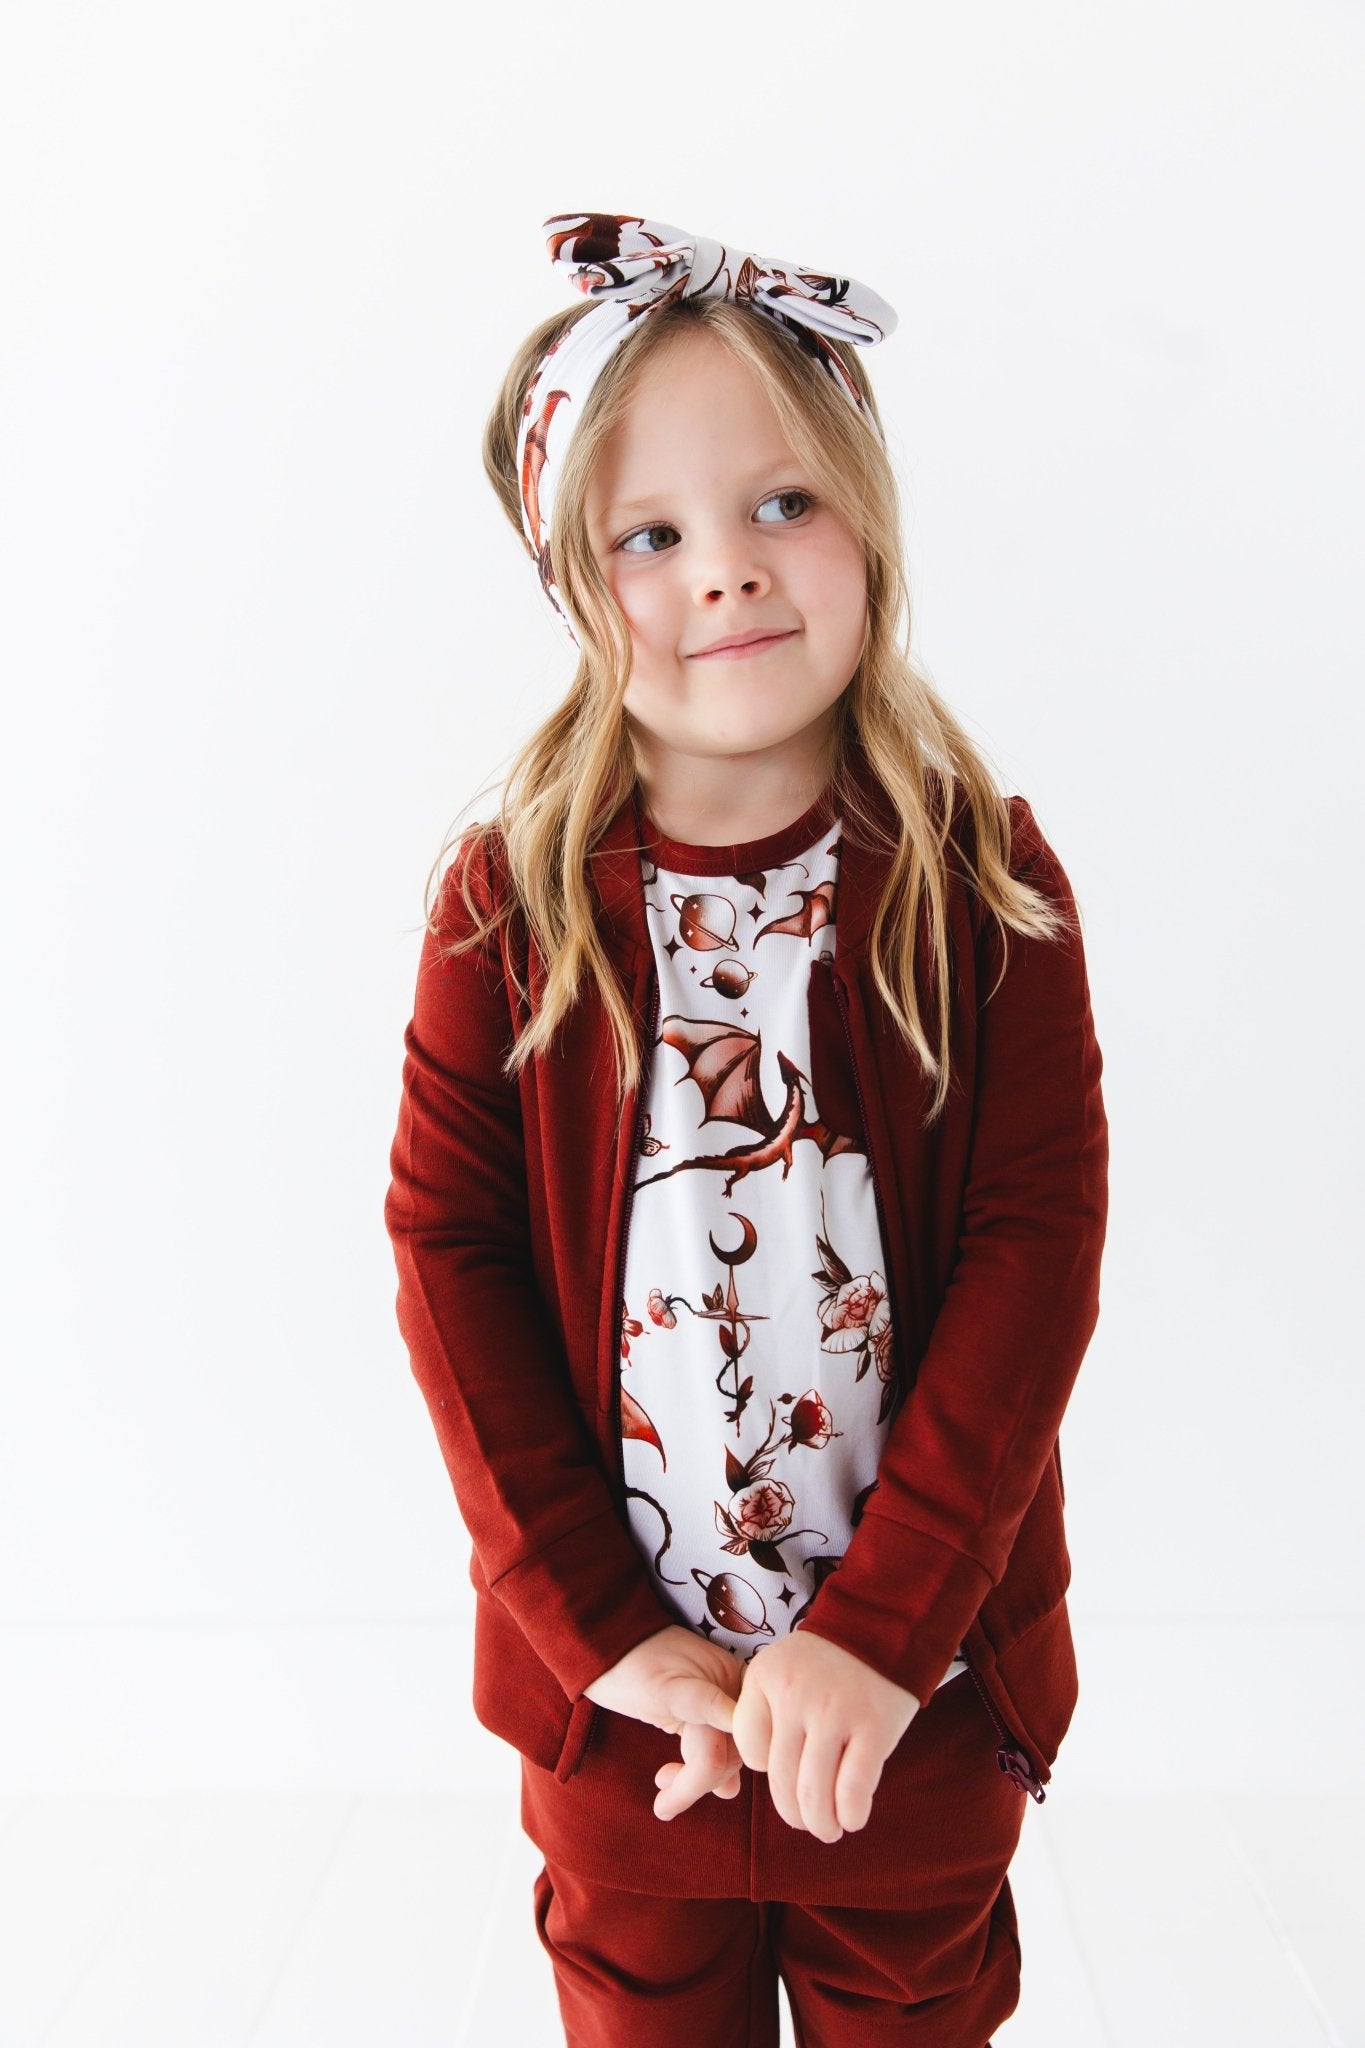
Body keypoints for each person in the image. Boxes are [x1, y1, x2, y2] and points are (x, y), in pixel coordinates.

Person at [383, 211, 1109, 2048]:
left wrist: (879, 1638)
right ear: (567, 578)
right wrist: (601, 1637)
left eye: (781, 503)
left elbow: (1036, 1255)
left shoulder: (982, 883)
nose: (728, 572)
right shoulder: (508, 904)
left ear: (869, 517)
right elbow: (445, 1261)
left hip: (911, 1706)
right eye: (651, 535)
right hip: (630, 1717)